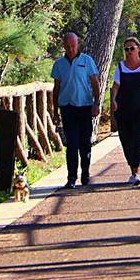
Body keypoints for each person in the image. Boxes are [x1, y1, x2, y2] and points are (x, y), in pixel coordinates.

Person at [51, 32, 100, 189]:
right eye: (68, 46)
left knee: (85, 143)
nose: (71, 49)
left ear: (77, 44)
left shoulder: (87, 60)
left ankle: (85, 173)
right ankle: (71, 177)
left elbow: (95, 83)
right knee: (71, 143)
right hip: (67, 107)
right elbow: (56, 88)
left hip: (84, 106)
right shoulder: (58, 64)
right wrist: (54, 111)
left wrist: (97, 103)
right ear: (64, 46)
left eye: (73, 45)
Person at [110, 37, 140, 185]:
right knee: (126, 140)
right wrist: (113, 100)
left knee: (137, 138)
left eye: (132, 48)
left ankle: (137, 168)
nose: (129, 51)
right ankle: (133, 170)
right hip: (124, 111)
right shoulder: (120, 67)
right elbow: (116, 86)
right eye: (126, 49)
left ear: (139, 49)